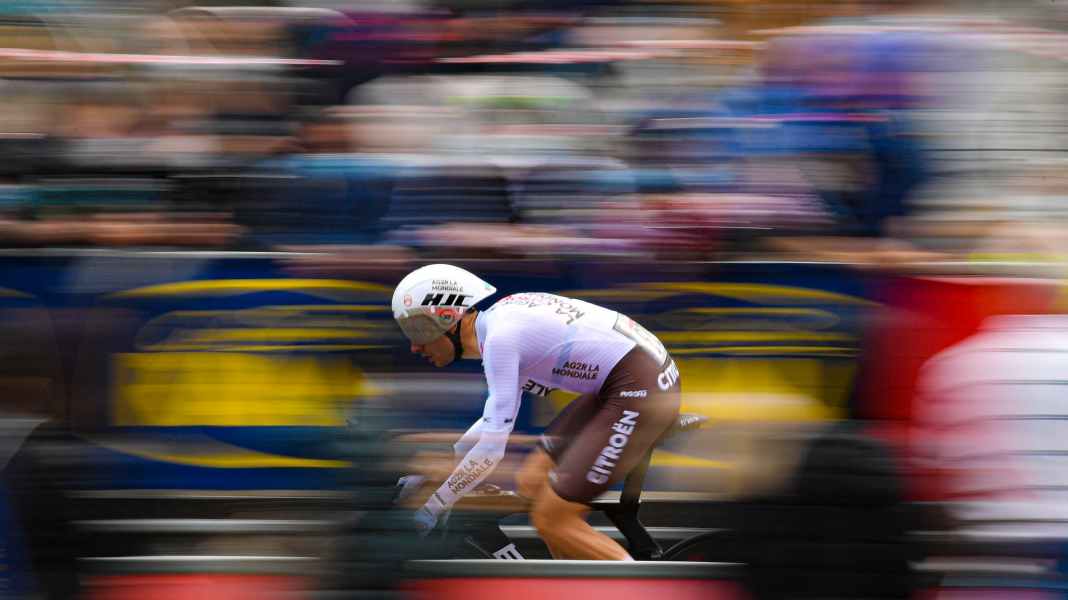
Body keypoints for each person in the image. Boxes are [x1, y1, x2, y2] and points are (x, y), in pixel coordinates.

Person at [391, 264, 681, 560]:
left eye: (418, 329)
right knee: (532, 480)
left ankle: (639, 586)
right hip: (630, 378)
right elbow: (493, 424)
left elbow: (491, 451)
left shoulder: (500, 340)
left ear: (448, 317)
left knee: (552, 520)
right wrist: (442, 468)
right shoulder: (500, 323)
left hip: (638, 387)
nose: (414, 346)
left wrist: (435, 507)